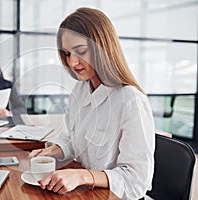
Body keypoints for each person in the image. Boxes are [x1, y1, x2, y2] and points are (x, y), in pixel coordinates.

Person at [29, 7, 155, 199]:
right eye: (67, 54)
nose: (72, 63)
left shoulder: (130, 100)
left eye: (80, 51)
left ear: (103, 47)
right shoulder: (80, 90)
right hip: (85, 193)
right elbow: (75, 139)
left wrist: (83, 176)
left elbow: (137, 181)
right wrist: (55, 151)